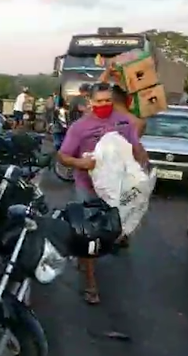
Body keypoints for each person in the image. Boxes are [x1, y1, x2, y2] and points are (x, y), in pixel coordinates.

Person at [57, 82, 148, 305]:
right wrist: (81, 162)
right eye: (99, 101)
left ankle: (86, 257)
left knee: (109, 231)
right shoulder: (80, 127)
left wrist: (140, 171)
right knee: (88, 234)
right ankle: (90, 283)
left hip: (116, 188)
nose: (104, 105)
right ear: (91, 102)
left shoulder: (122, 121)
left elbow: (135, 147)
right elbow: (63, 156)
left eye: (108, 100)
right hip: (87, 187)